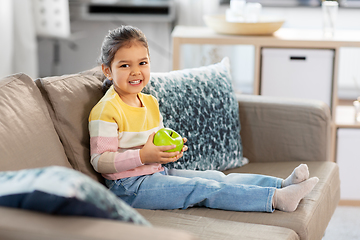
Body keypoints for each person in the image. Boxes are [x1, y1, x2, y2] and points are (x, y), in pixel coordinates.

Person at [88, 25, 319, 213]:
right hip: (129, 189)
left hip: (156, 173)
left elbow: (154, 142)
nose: (136, 71)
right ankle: (276, 199)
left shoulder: (149, 102)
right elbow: (100, 160)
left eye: (142, 63)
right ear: (107, 70)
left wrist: (167, 151)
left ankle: (281, 184)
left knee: (214, 177)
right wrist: (142, 155)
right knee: (203, 187)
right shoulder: (106, 110)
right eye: (125, 65)